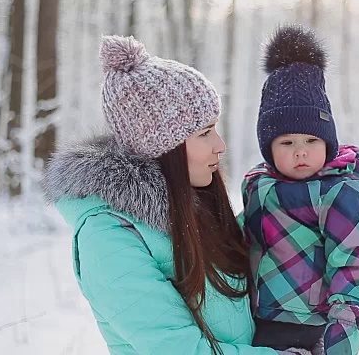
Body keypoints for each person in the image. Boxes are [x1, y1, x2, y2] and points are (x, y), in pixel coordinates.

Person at [43, 35, 300, 355]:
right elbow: (177, 348)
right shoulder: (107, 235)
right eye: (204, 133)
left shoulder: (195, 206)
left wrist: (293, 196)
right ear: (163, 147)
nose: (220, 145)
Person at [241, 25, 359, 355]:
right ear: (268, 148)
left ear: (328, 142)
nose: (300, 151)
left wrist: (339, 343)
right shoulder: (257, 185)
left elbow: (354, 269)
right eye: (286, 142)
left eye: (311, 140)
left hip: (309, 327)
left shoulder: (342, 193)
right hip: (254, 321)